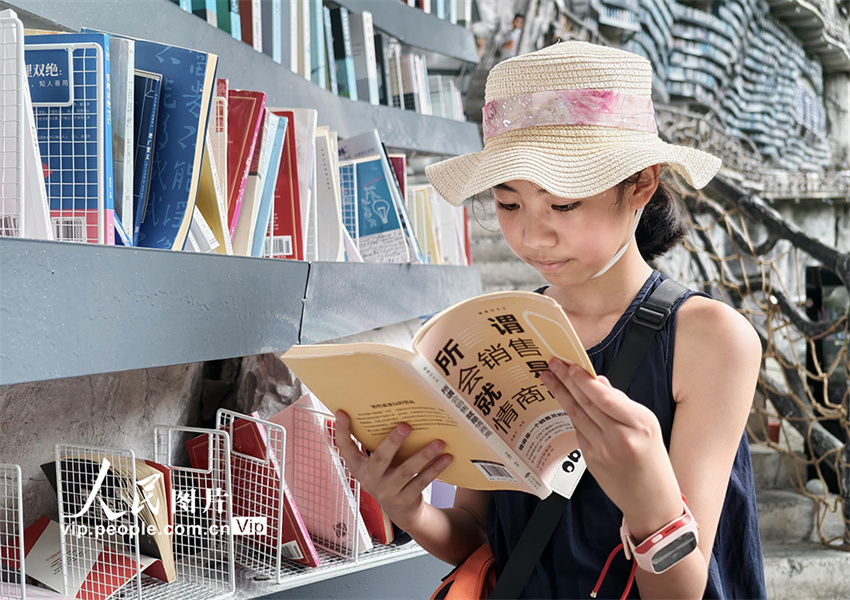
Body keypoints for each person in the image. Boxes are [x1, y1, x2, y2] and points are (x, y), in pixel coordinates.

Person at [334, 41, 767, 599]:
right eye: (508, 204)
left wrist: (648, 502)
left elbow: (684, 591)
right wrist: (409, 509)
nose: (532, 237)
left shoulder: (710, 339)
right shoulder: (497, 330)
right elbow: (477, 536)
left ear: (641, 184)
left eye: (562, 204)